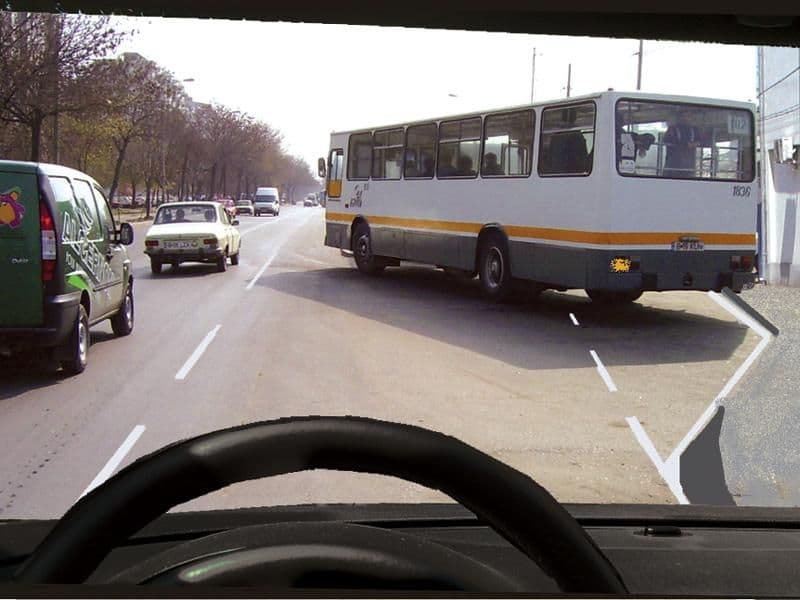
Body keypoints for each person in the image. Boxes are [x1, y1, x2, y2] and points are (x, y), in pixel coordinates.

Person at [663, 110, 701, 178]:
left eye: (688, 116)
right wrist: (686, 145)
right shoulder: (673, 129)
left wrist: (697, 143)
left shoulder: (694, 130)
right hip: (673, 167)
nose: (686, 118)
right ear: (679, 118)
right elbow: (667, 140)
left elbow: (703, 140)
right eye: (683, 116)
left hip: (689, 167)